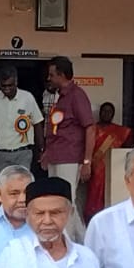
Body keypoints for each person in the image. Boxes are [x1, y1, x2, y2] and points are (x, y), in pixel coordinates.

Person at [41, 56, 95, 243]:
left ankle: (67, 243)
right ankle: (86, 242)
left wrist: (87, 161)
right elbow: (57, 129)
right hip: (56, 156)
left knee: (65, 202)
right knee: (63, 200)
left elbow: (90, 128)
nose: (48, 78)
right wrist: (47, 153)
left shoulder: (77, 95)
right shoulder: (60, 97)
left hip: (70, 157)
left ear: (62, 75)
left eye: (51, 75)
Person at [0, 66, 44, 185]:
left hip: (23, 152)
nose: (7, 89)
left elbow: (37, 123)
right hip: (2, 153)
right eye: (3, 86)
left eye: (10, 85)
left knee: (23, 184)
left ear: (16, 81)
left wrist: (41, 149)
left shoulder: (27, 98)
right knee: (5, 186)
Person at [84, 102, 133, 221]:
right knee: (92, 197)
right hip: (94, 169)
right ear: (100, 113)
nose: (106, 113)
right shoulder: (92, 129)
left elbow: (126, 149)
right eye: (104, 111)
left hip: (112, 169)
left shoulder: (119, 131)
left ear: (113, 114)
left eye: (109, 111)